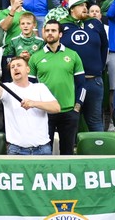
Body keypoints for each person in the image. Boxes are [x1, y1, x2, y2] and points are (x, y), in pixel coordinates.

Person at [0, 55, 60, 155]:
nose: (15, 68)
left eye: (19, 65)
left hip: (42, 149)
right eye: (12, 67)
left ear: (28, 69)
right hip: (16, 150)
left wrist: (33, 103)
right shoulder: (6, 88)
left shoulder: (40, 88)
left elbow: (56, 107)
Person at [28, 19, 85, 155]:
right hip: (45, 113)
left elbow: (81, 84)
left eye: (53, 30)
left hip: (68, 111)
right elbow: (31, 87)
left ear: (60, 34)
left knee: (67, 152)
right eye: (47, 30)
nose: (50, 33)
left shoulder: (72, 55)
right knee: (44, 152)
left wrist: (77, 106)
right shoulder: (35, 57)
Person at [59, 0, 108, 132]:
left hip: (93, 80)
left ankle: (98, 150)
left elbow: (104, 46)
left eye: (86, 5)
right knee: (71, 120)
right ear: (72, 9)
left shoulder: (95, 23)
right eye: (81, 5)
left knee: (95, 120)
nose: (85, 8)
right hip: (71, 82)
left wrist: (99, 67)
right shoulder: (62, 25)